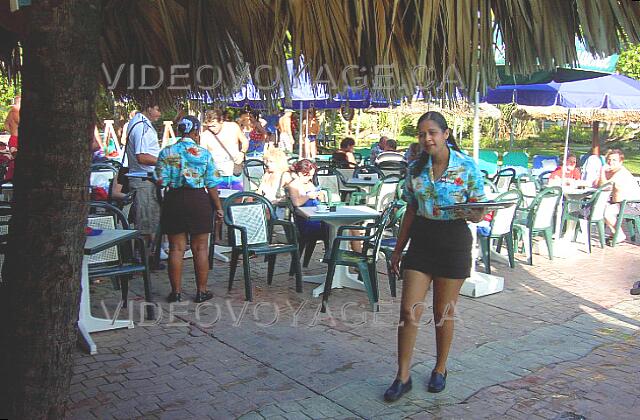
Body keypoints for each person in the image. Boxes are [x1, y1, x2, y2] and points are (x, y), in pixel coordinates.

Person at [384, 111, 486, 401]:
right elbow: (412, 209)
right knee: (409, 311)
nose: (426, 138)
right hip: (422, 240)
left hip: (453, 240)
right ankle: (402, 376)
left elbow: (479, 212)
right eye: (421, 134)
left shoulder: (467, 167)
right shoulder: (415, 169)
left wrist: (473, 211)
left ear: (445, 133)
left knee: (443, 313)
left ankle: (440, 369)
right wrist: (397, 248)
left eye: (432, 132)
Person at [155, 116, 224, 303]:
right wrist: (218, 208)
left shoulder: (166, 152)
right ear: (196, 132)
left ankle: (175, 293)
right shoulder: (203, 154)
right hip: (198, 200)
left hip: (174, 200)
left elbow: (160, 180)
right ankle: (201, 291)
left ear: (179, 131)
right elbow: (212, 185)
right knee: (201, 248)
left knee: (176, 249)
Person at [124, 101, 162, 256]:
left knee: (147, 221)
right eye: (158, 108)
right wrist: (164, 160)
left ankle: (145, 257)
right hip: (143, 181)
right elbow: (142, 156)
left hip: (143, 179)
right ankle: (144, 260)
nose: (160, 113)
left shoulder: (139, 123)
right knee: (146, 223)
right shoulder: (142, 126)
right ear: (149, 107)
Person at [597, 148, 640, 244]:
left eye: (614, 160)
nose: (610, 162)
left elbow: (604, 186)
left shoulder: (621, 172)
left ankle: (619, 234)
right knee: (599, 208)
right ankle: (615, 232)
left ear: (621, 162)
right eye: (609, 159)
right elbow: (597, 184)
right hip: (620, 204)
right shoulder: (612, 171)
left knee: (606, 211)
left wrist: (602, 171)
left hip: (633, 205)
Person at [200, 109, 248, 190]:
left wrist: (242, 153)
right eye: (209, 126)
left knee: (238, 198)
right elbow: (203, 156)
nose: (211, 129)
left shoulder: (233, 127)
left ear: (221, 121)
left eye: (214, 125)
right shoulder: (205, 135)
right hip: (217, 175)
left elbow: (245, 141)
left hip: (235, 172)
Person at [3, 96, 20, 180]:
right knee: (16, 160)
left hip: (13, 137)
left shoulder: (10, 112)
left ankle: (9, 178)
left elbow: (5, 125)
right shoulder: (16, 111)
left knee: (14, 159)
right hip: (16, 139)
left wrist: (13, 131)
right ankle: (10, 178)